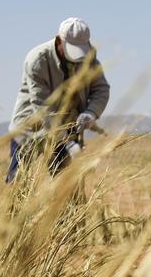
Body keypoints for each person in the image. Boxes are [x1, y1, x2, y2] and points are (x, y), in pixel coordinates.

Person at [7, 17, 110, 183]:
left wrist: (91, 113)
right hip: (31, 130)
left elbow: (101, 89)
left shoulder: (89, 59)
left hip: (67, 130)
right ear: (58, 41)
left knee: (68, 189)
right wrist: (67, 141)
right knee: (17, 185)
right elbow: (42, 106)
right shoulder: (37, 59)